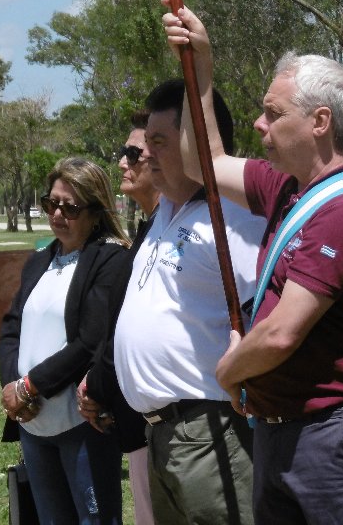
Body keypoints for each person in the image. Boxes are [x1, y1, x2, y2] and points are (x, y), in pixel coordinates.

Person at [164, 5, 343, 525]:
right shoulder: (287, 188)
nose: (258, 124)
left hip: (333, 437)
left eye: (273, 113)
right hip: (281, 429)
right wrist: (199, 70)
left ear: (319, 122)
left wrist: (227, 372)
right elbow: (203, 161)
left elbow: (282, 334)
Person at [111, 80, 265, 525]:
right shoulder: (165, 211)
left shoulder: (233, 217)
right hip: (161, 433)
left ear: (197, 144)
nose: (145, 155)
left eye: (158, 143)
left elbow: (261, 316)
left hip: (209, 430)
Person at [0, 157, 130, 525]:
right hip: (33, 424)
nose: (57, 214)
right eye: (51, 203)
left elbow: (91, 341)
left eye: (69, 207)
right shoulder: (40, 260)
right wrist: (14, 390)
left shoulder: (111, 259)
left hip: (81, 423)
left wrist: (29, 387)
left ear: (94, 210)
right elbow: (11, 328)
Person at [78, 113, 158, 525]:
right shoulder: (148, 232)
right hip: (134, 426)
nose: (123, 163)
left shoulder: (176, 236)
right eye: (122, 153)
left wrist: (99, 384)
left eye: (133, 153)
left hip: (164, 431)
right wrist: (98, 384)